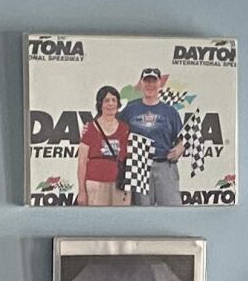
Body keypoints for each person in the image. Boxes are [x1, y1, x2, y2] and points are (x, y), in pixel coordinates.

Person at [121, 66, 187, 208]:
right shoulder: (130, 109)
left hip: (165, 165)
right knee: (142, 212)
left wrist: (180, 148)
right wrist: (91, 126)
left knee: (172, 209)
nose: (150, 85)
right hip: (139, 166)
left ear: (160, 83)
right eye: (146, 81)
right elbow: (111, 124)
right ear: (141, 83)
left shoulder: (170, 111)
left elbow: (182, 138)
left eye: (153, 81)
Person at [77, 86, 128, 205]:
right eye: (106, 100)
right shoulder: (89, 128)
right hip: (95, 184)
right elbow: (82, 161)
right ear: (100, 104)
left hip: (119, 184)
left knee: (120, 221)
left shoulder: (125, 129)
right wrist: (81, 191)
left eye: (114, 100)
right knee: (97, 221)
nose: (110, 104)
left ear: (118, 104)